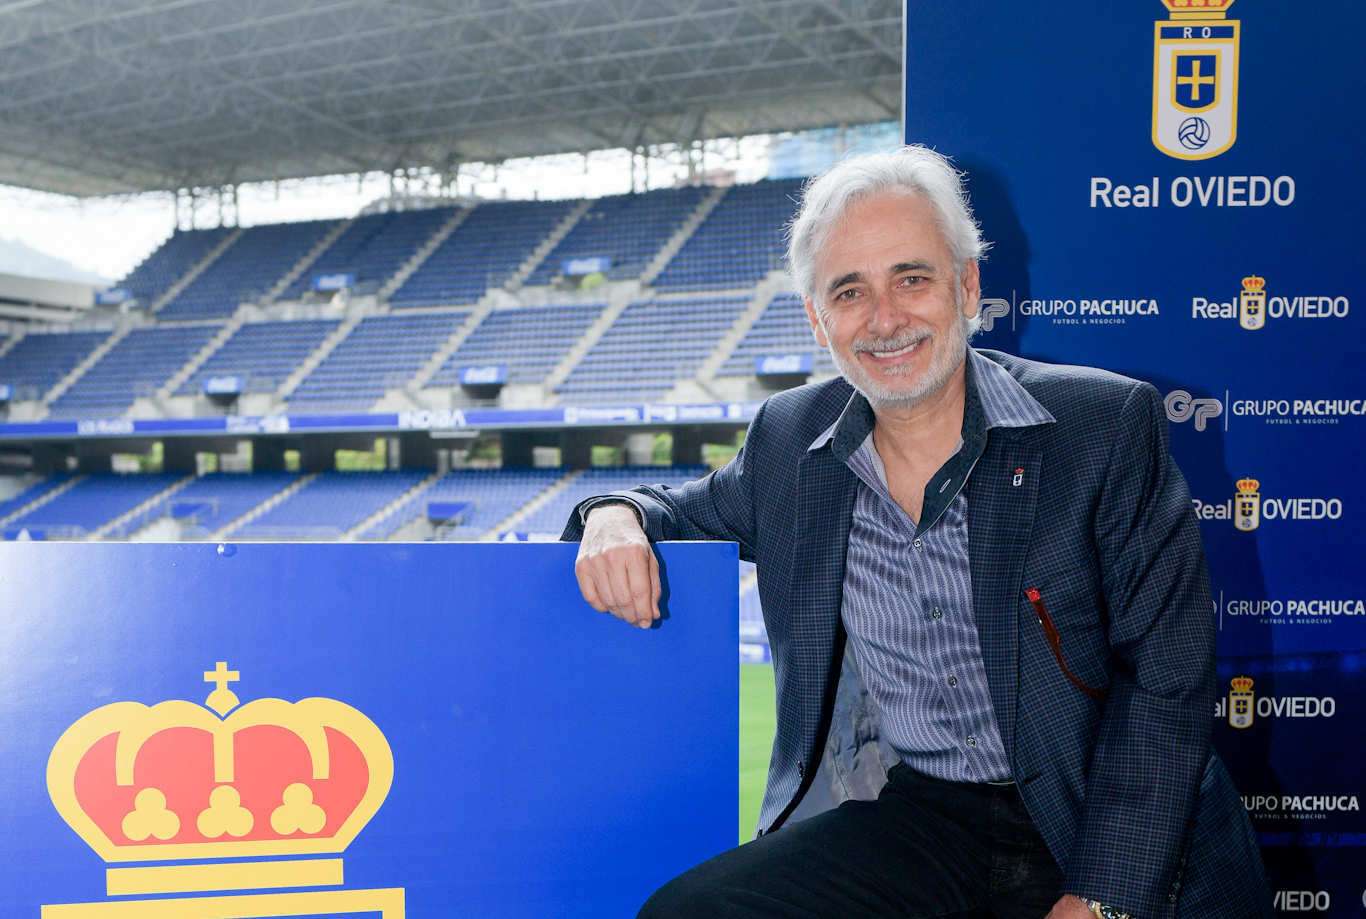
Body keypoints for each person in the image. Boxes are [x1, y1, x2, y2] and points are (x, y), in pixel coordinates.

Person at [561, 147, 1270, 918]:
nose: (886, 318)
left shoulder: (1101, 428)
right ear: (817, 318)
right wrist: (611, 515)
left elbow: (1166, 685)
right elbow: (672, 506)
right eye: (850, 291)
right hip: (932, 819)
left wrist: (1101, 897)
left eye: (912, 277)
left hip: (1102, 808)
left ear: (967, 286)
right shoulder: (789, 442)